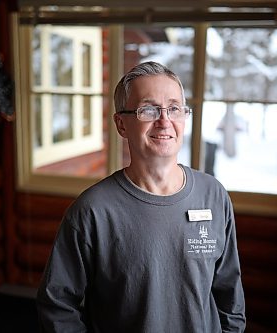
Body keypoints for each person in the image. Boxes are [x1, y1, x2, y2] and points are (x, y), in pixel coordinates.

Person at [36, 61, 246, 332]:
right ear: (121, 124)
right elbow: (57, 306)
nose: (164, 121)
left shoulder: (213, 195)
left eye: (174, 108)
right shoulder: (92, 210)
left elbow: (229, 294)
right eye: (148, 109)